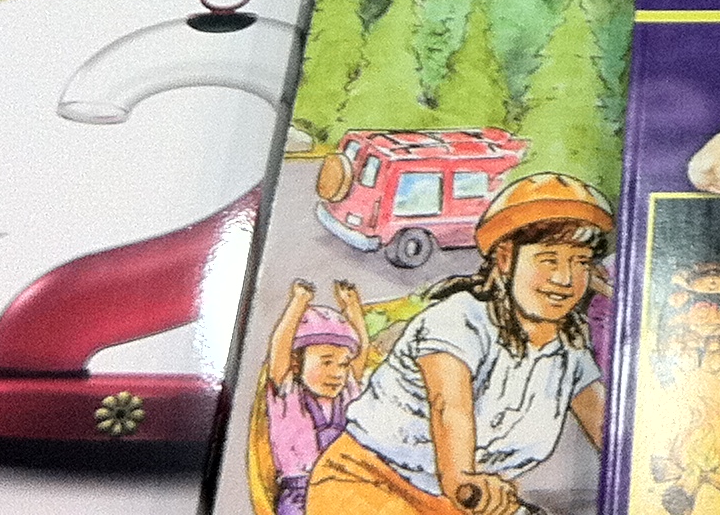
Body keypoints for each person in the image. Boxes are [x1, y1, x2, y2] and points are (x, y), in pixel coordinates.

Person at [308, 172, 612, 515]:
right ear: (505, 259)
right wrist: (462, 479)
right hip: (369, 485)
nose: (565, 279)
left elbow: (607, 428)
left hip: (468, 506)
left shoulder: (570, 352)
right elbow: (449, 408)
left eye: (580, 262)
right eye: (549, 260)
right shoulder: (460, 320)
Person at [255, 281, 369, 515]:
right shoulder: (288, 392)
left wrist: (352, 306)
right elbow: (280, 348)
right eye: (326, 362)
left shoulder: (347, 391)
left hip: (345, 488)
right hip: (301, 492)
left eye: (342, 364)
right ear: (296, 363)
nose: (337, 373)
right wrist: (299, 302)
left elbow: (361, 351)